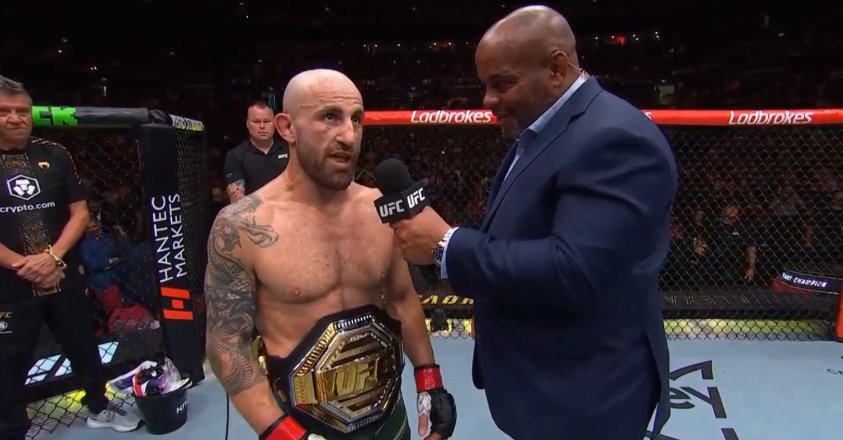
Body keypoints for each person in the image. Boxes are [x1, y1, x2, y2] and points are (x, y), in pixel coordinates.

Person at [388, 7, 675, 440]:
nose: (487, 100)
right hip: (545, 384)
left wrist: (447, 245)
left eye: (502, 83)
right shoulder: (545, 129)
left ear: (557, 68)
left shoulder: (614, 138)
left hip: (586, 399)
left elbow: (574, 270)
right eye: (485, 85)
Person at [204, 69, 456, 440]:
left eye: (356, 119)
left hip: (388, 416)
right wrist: (281, 433)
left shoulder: (378, 208)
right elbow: (226, 342)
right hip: (301, 423)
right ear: (287, 128)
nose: (349, 136)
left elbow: (402, 300)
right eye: (330, 117)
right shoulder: (243, 225)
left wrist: (429, 381)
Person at [0, 75, 142, 439]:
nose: (15, 118)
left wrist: (52, 258)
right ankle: (10, 431)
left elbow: (79, 212)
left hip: (62, 275)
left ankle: (99, 406)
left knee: (84, 347)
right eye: (2, 111)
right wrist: (23, 265)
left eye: (22, 111)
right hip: (6, 286)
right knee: (5, 364)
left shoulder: (54, 153)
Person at [224, 101, 290, 203]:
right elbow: (237, 200)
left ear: (275, 123)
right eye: (256, 122)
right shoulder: (236, 155)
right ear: (247, 124)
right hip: (254, 212)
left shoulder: (290, 150)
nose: (262, 126)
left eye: (267, 121)